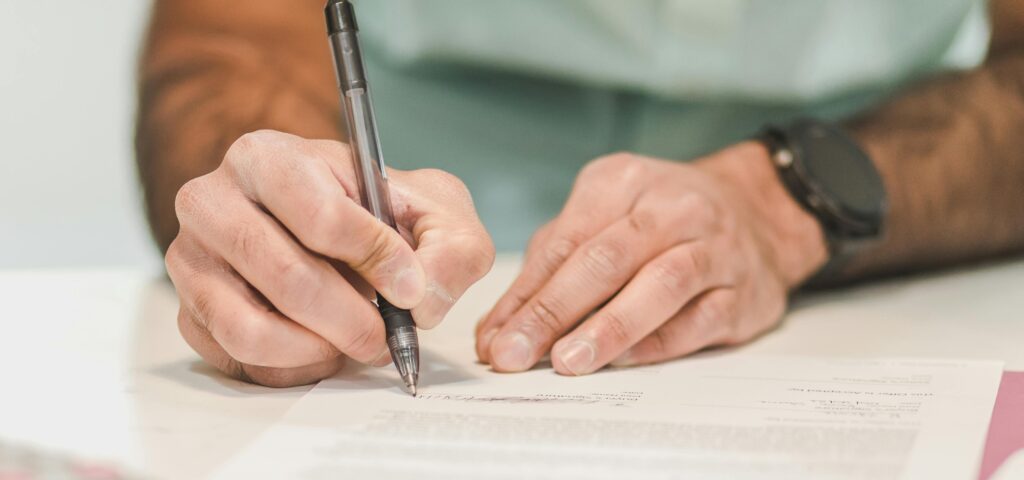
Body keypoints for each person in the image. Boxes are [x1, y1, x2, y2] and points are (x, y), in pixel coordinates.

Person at [138, 0, 1024, 388]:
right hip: (391, 276)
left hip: (867, 246)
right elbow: (223, 42)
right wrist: (272, 214)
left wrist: (786, 199)